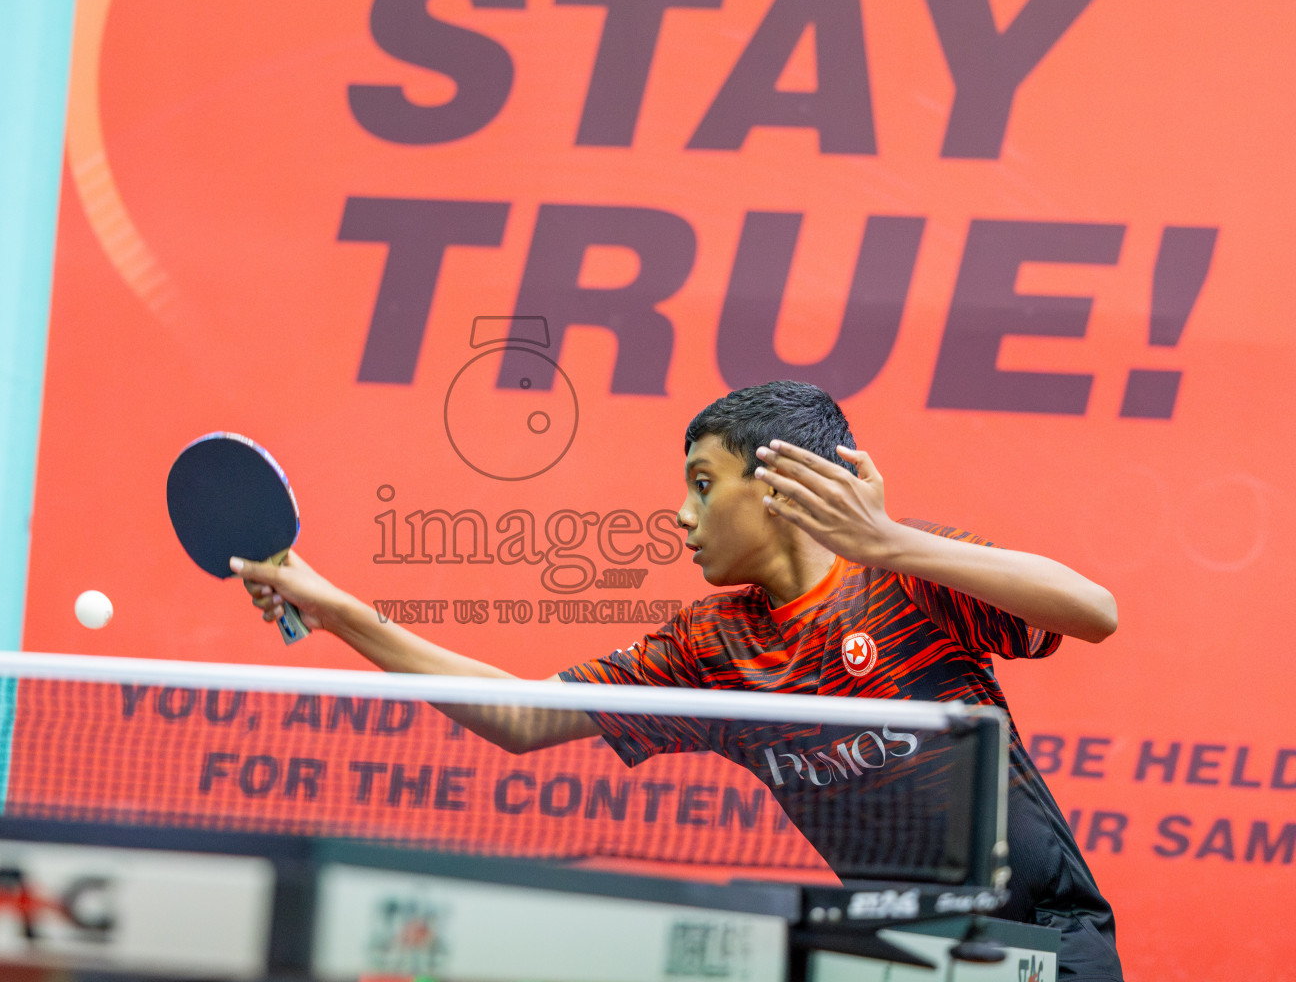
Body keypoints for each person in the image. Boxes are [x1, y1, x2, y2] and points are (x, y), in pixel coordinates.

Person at [231, 380, 1123, 981]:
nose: (682, 515)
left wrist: (888, 540)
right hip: (892, 955)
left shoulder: (910, 577)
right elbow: (522, 718)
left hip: (1042, 944)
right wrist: (340, 608)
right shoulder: (714, 648)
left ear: (779, 487)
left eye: (705, 484)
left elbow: (1093, 610)